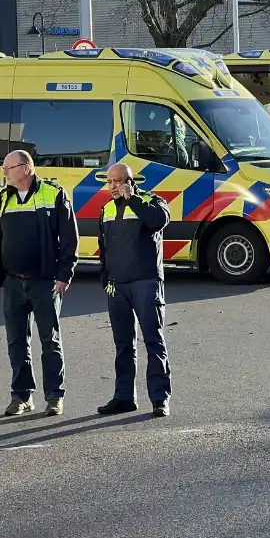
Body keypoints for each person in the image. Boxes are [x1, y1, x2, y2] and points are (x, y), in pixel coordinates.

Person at [0, 150, 78, 417]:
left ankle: (54, 396)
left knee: (50, 340)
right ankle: (21, 396)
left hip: (45, 282)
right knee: (16, 341)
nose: (4, 173)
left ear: (26, 168)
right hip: (13, 282)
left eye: (8, 168)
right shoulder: (2, 199)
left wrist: (64, 274)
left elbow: (69, 238)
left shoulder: (54, 194)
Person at [97, 163, 173, 417]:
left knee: (153, 340)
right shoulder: (106, 209)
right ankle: (124, 397)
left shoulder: (152, 201)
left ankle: (160, 398)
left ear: (130, 181)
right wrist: (106, 278)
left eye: (118, 181)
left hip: (146, 282)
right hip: (117, 286)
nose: (113, 187)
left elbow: (158, 221)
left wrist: (133, 199)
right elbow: (103, 248)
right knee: (123, 344)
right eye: (110, 182)